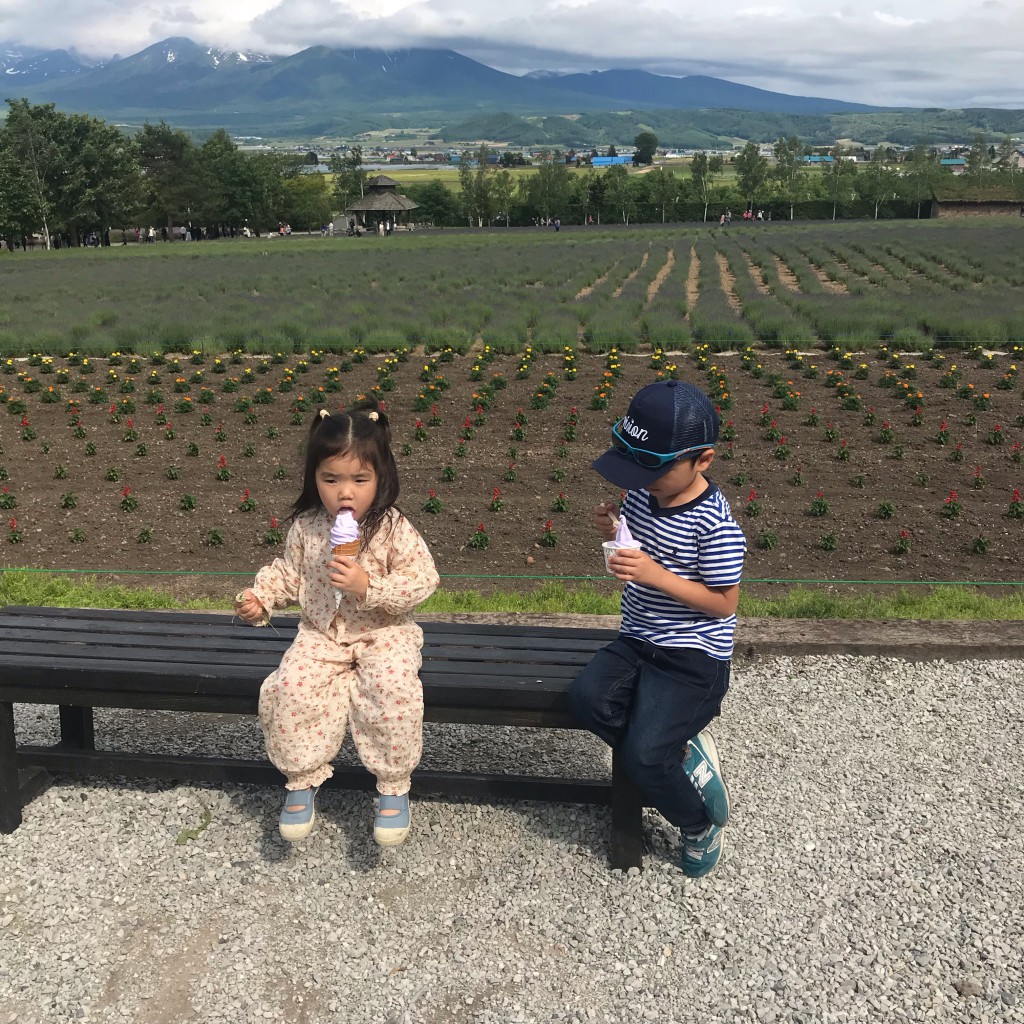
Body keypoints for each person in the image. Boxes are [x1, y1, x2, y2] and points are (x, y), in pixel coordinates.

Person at [234, 399, 440, 846]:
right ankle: (301, 779)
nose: (345, 492)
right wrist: (260, 597)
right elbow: (288, 574)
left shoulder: (392, 528)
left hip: (383, 632)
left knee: (392, 689)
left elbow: (424, 580)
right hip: (321, 633)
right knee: (290, 688)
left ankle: (392, 786)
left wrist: (371, 586)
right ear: (314, 479)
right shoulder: (307, 528)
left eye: (359, 480)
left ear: (381, 478)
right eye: (331, 479)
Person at [568, 379, 746, 879]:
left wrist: (655, 575)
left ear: (703, 460)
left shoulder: (714, 527)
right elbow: (635, 542)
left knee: (644, 757)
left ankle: (698, 822)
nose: (640, 481)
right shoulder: (645, 496)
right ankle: (682, 751)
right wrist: (613, 531)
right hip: (639, 637)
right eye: (634, 467)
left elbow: (723, 603)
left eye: (654, 468)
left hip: (693, 657)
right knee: (584, 701)